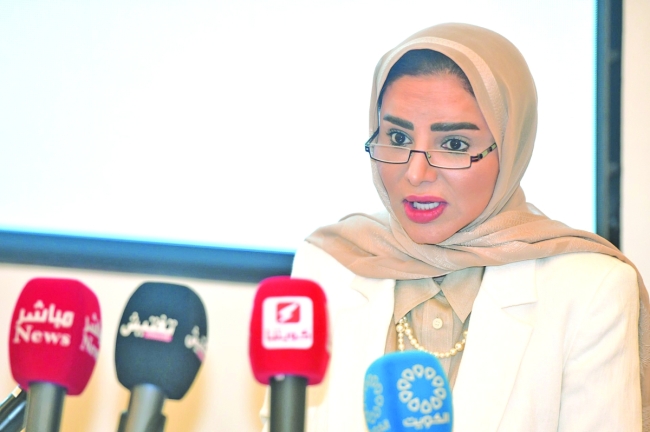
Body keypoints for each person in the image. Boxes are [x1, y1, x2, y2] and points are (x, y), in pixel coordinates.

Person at [261, 23, 649, 431]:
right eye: (397, 137)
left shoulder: (591, 289)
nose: (415, 173)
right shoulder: (329, 263)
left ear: (510, 145)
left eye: (454, 145)